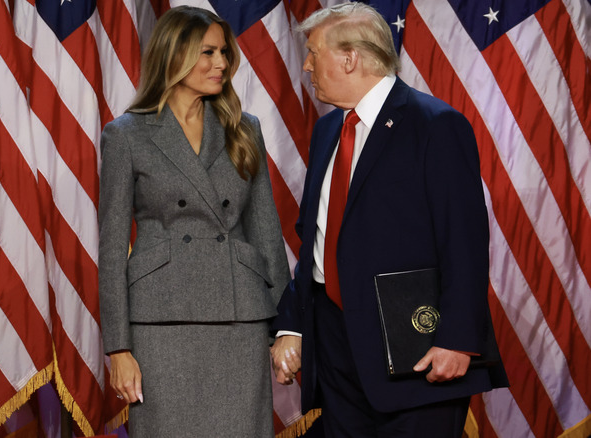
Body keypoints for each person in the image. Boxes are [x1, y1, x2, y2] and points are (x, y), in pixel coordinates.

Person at [270, 4, 508, 437]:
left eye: (312, 52)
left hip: (415, 351)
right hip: (337, 351)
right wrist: (293, 322)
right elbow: (316, 240)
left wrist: (456, 338)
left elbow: (464, 241)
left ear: (349, 58)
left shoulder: (435, 125)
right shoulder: (327, 132)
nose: (305, 64)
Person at [97, 6, 290, 437]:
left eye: (223, 52)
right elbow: (111, 250)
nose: (221, 63)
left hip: (240, 319)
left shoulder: (244, 128)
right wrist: (119, 347)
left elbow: (265, 232)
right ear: (174, 54)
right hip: (161, 323)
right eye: (207, 52)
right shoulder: (126, 135)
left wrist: (287, 327)